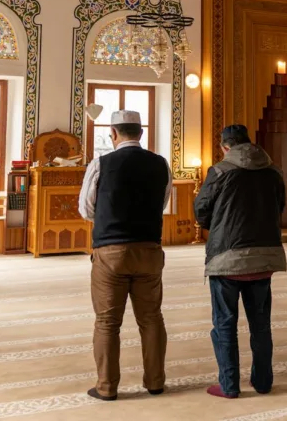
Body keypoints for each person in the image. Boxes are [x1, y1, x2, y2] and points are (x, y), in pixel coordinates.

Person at [77, 110, 172, 402]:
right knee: (151, 318)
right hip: (149, 250)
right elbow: (163, 204)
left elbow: (86, 209)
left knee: (107, 322)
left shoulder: (101, 163)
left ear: (113, 134)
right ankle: (155, 381)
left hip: (110, 252)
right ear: (140, 134)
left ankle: (107, 387)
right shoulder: (161, 164)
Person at [194, 125, 287, 399]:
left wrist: (219, 223)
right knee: (261, 323)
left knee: (225, 323)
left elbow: (201, 211)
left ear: (225, 147)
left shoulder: (220, 171)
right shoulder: (273, 171)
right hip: (264, 256)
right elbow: (279, 207)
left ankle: (229, 385)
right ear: (250, 143)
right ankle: (262, 382)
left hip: (227, 258)